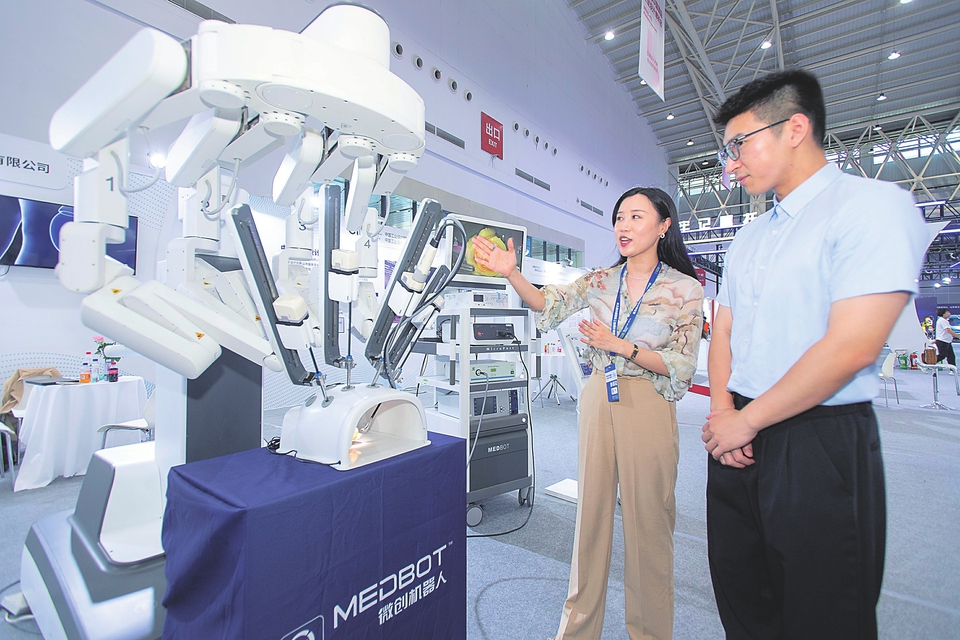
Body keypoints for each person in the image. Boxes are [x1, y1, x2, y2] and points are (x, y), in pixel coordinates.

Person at [701, 68, 928, 639]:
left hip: (818, 438)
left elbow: (852, 345)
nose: (731, 164)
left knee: (824, 613)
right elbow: (724, 331)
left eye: (739, 144)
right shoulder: (748, 235)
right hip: (735, 434)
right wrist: (725, 413)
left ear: (795, 128)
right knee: (743, 601)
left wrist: (746, 420)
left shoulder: (871, 207)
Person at [472, 187, 703, 640]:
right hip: (599, 397)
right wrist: (512, 273)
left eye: (636, 217)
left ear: (663, 226)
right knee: (590, 520)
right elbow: (548, 303)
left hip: (649, 402)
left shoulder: (684, 289)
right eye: (619, 217)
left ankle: (651, 632)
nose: (623, 226)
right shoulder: (600, 280)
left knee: (650, 525)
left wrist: (621, 346)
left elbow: (682, 364)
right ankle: (577, 631)